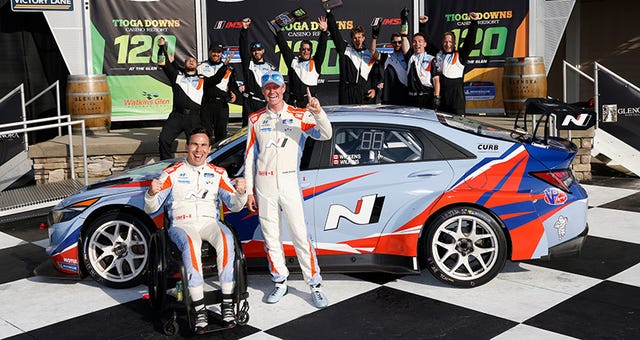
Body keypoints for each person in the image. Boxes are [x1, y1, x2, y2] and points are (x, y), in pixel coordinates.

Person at [144, 127, 248, 333]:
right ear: (187, 147)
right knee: (192, 244)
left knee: (227, 239)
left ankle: (227, 305)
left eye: (203, 145)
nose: (198, 150)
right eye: (194, 144)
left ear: (209, 149)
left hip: (210, 222)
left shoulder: (218, 173)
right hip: (182, 225)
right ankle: (199, 309)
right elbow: (152, 208)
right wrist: (150, 193)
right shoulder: (171, 173)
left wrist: (241, 193)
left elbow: (234, 205)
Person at [244, 71, 332, 308]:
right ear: (263, 91)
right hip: (264, 185)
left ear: (283, 89)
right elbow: (249, 156)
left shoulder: (299, 115)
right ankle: (280, 281)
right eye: (267, 88)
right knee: (271, 237)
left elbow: (325, 134)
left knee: (300, 235)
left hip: (289, 183)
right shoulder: (254, 119)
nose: (272, 92)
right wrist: (250, 191)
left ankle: (314, 284)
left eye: (276, 87)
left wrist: (318, 112)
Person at [156, 37, 203, 160]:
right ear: (184, 64)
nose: (191, 61)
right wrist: (161, 47)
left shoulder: (203, 79)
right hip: (177, 115)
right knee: (164, 139)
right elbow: (163, 63)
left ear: (197, 65)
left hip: (194, 117)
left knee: (195, 145)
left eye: (194, 60)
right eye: (188, 60)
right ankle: (166, 165)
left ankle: (194, 166)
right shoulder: (177, 76)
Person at [272, 16, 329, 108]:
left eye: (308, 49)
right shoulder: (293, 62)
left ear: (311, 51)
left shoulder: (315, 63)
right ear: (299, 50)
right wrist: (278, 31)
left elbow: (322, 49)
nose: (305, 51)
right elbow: (284, 47)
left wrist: (324, 32)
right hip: (293, 103)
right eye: (303, 49)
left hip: (309, 102)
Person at [325, 8, 379, 104]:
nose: (357, 40)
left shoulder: (370, 53)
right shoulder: (345, 50)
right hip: (347, 92)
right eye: (355, 38)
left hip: (364, 94)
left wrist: (375, 89)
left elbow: (376, 75)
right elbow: (335, 32)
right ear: (351, 39)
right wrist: (329, 13)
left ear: (363, 38)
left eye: (359, 37)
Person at [434, 12, 480, 115]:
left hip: (457, 102)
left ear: (454, 43)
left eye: (450, 42)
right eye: (445, 42)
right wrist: (423, 26)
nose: (448, 44)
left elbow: (470, 41)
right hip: (442, 102)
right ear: (442, 43)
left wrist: (474, 23)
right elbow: (426, 44)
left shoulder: (460, 55)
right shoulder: (438, 55)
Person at [198, 41, 241, 143]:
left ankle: (219, 157)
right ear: (209, 52)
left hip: (221, 105)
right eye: (214, 51)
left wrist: (233, 93)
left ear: (222, 54)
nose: (216, 54)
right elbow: (208, 83)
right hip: (206, 103)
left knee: (221, 134)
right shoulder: (201, 66)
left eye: (219, 52)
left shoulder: (229, 69)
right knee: (205, 133)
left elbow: (232, 85)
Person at [239, 17, 275, 126]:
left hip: (264, 103)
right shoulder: (248, 64)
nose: (256, 52)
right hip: (250, 103)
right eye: (254, 51)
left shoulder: (270, 68)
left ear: (263, 51)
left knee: (265, 129)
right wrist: (244, 30)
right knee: (247, 132)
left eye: (259, 50)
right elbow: (243, 49)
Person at [369, 23, 409, 105]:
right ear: (391, 43)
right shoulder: (387, 56)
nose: (397, 44)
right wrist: (374, 37)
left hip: (405, 94)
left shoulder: (408, 56)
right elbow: (373, 52)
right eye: (394, 42)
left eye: (399, 42)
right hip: (390, 95)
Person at [405, 15, 440, 109]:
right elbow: (404, 40)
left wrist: (436, 96)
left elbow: (436, 79)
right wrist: (404, 21)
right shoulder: (410, 57)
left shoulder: (431, 59)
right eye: (414, 42)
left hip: (426, 97)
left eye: (420, 41)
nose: (417, 44)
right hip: (411, 98)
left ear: (425, 44)